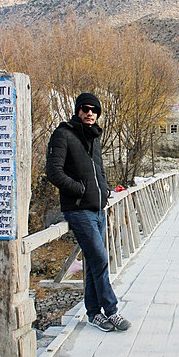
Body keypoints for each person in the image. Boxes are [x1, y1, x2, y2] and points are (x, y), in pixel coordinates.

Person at [46, 92, 131, 332]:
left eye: (94, 110)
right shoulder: (62, 135)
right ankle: (111, 311)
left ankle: (93, 313)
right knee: (100, 259)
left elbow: (99, 171)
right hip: (78, 209)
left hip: (97, 208)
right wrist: (80, 190)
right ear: (77, 111)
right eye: (85, 109)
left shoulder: (94, 138)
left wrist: (103, 191)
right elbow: (54, 171)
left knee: (96, 262)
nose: (90, 113)